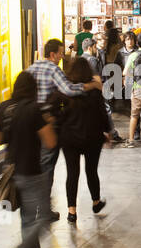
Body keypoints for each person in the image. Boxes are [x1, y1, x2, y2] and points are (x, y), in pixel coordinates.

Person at [29, 39, 102, 214]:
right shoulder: (54, 70)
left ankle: (34, 205)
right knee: (47, 166)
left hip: (31, 122)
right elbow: (68, 90)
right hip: (48, 124)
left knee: (36, 164)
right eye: (61, 53)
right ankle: (43, 209)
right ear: (52, 54)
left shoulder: (31, 69)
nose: (62, 57)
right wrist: (92, 85)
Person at [0, 71, 55, 248]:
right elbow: (50, 142)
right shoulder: (35, 109)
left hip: (11, 170)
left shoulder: (4, 107)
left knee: (26, 220)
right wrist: (48, 121)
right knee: (43, 217)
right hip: (31, 170)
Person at [54, 57, 108, 224]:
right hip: (92, 138)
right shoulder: (94, 91)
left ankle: (72, 211)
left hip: (69, 139)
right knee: (91, 171)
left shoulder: (65, 92)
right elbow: (102, 113)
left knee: (72, 173)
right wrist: (108, 131)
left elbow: (58, 115)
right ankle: (96, 202)